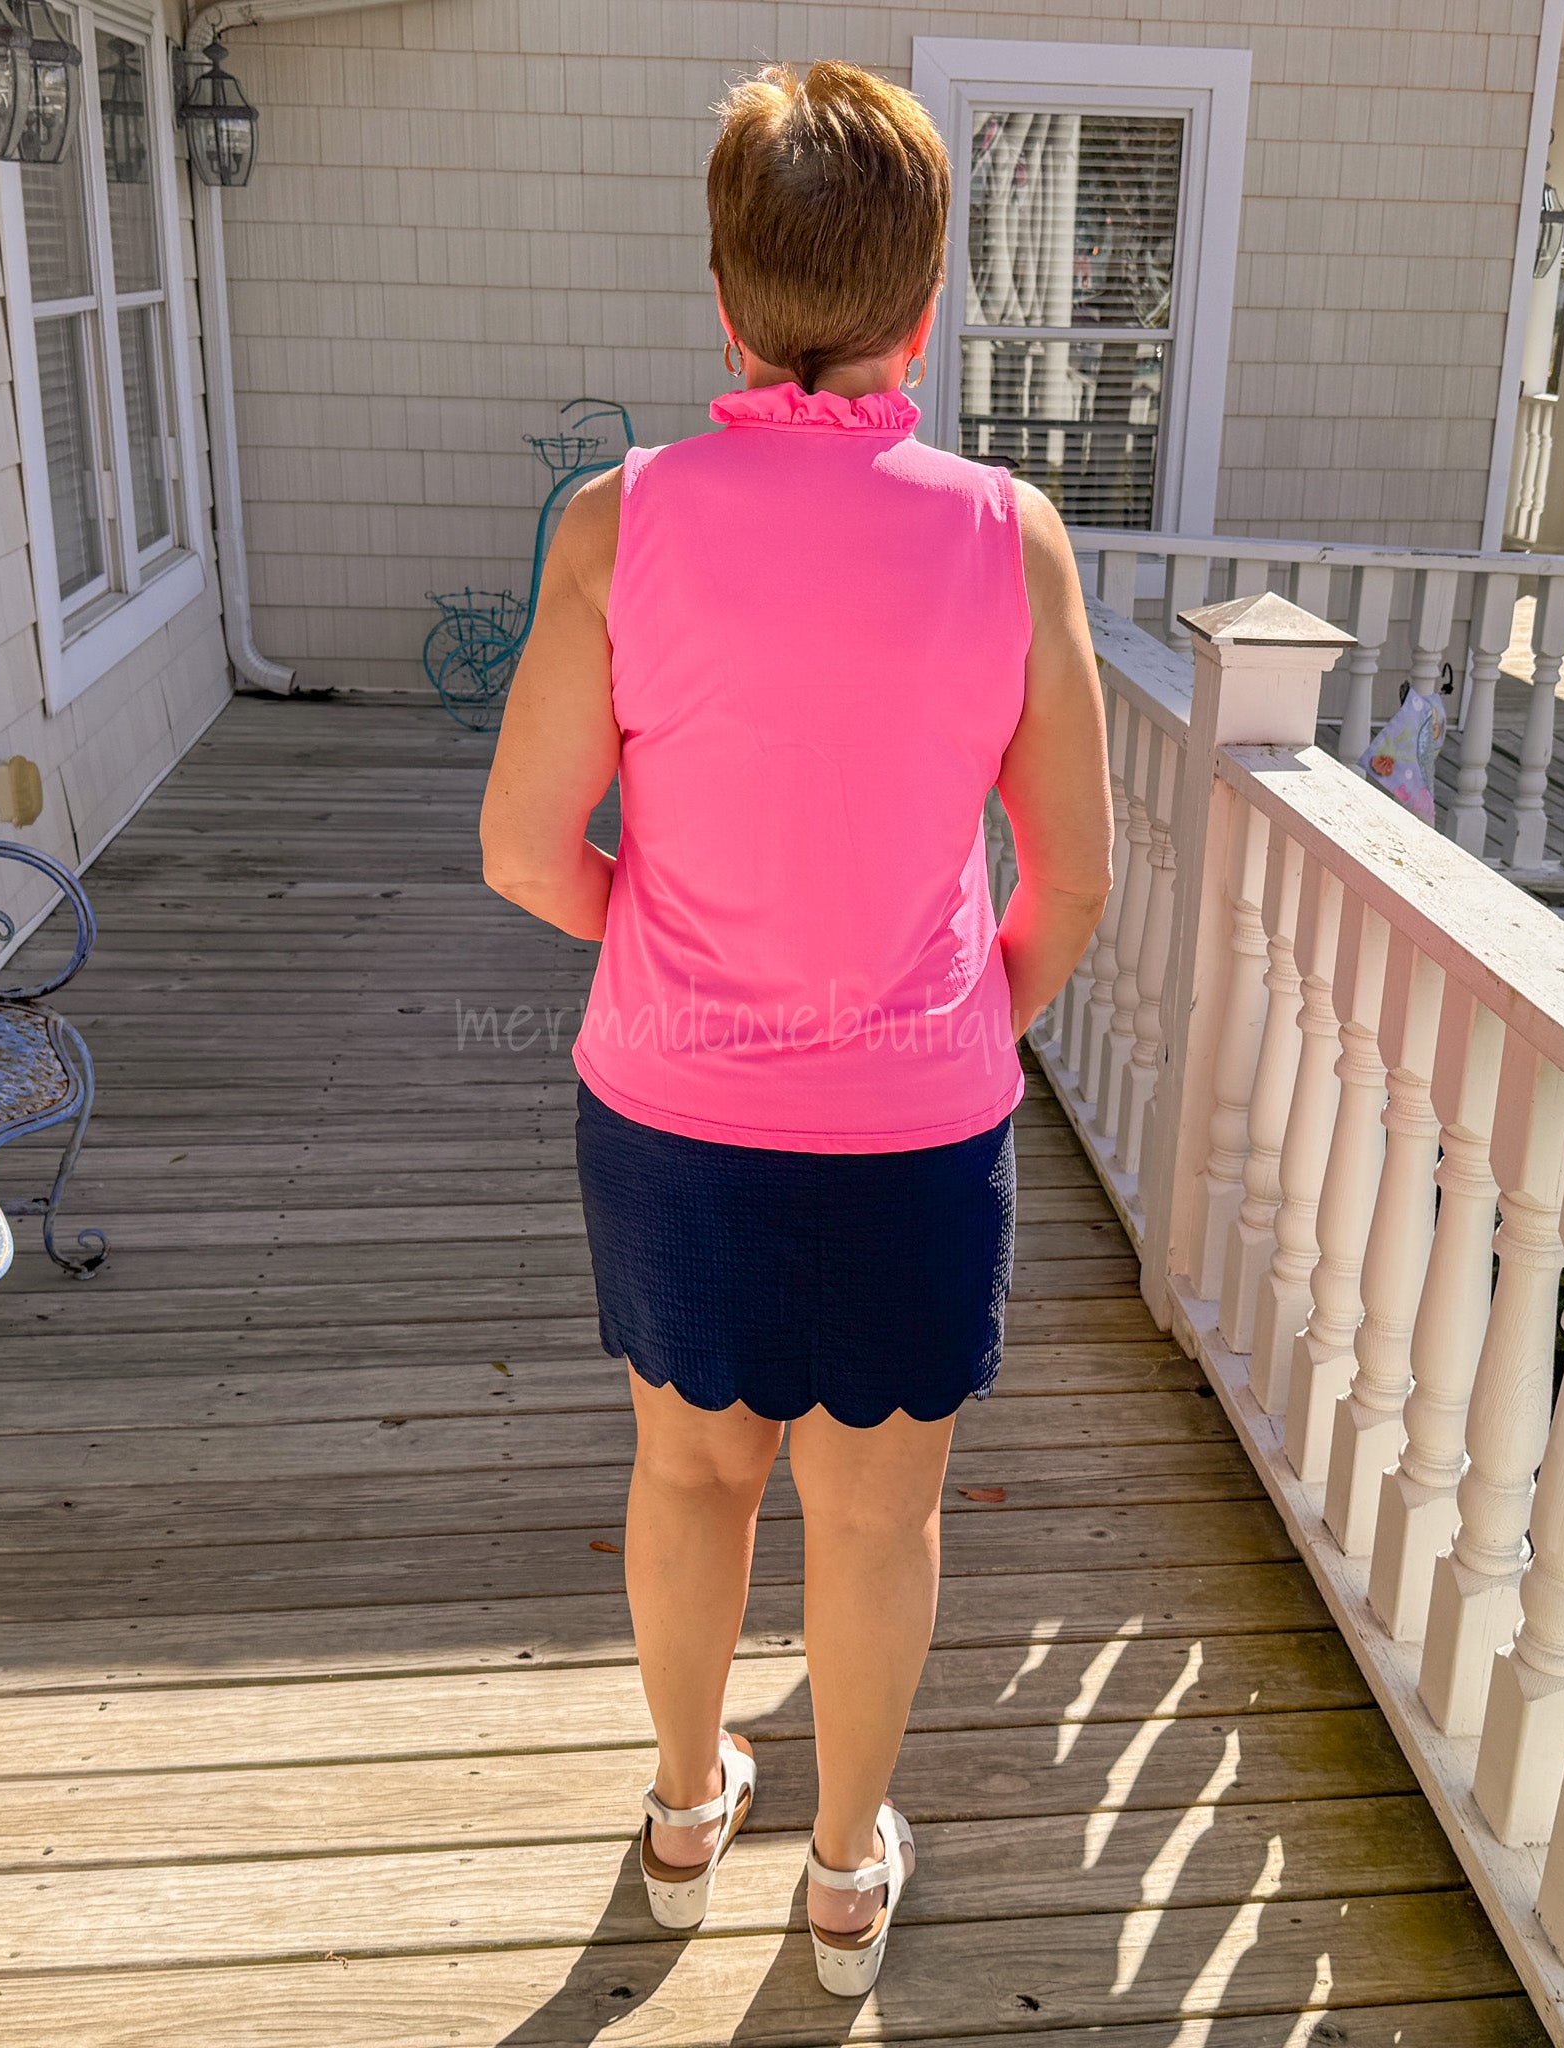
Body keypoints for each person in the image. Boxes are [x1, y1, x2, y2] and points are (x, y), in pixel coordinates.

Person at [480, 58, 1112, 1995]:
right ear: (926, 300)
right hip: (915, 1117)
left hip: (670, 1106)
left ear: (724, 290)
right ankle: (842, 1872)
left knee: (689, 1472)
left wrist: (665, 950)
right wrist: (943, 1025)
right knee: (876, 1504)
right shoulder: (1010, 535)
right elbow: (1071, 881)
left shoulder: (619, 518)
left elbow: (522, 849)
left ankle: (685, 1813)